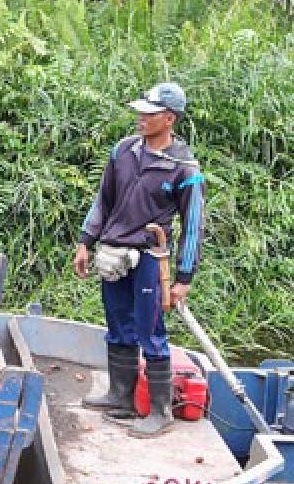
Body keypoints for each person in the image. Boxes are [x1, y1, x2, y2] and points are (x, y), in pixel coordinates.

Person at [73, 82, 205, 437]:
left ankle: (161, 412)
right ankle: (120, 396)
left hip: (150, 257)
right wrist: (86, 241)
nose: (141, 118)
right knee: (117, 324)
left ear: (170, 119)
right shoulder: (124, 150)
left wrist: (183, 278)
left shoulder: (184, 167)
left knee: (150, 330)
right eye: (140, 111)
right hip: (114, 253)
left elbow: (193, 226)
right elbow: (103, 200)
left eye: (150, 113)